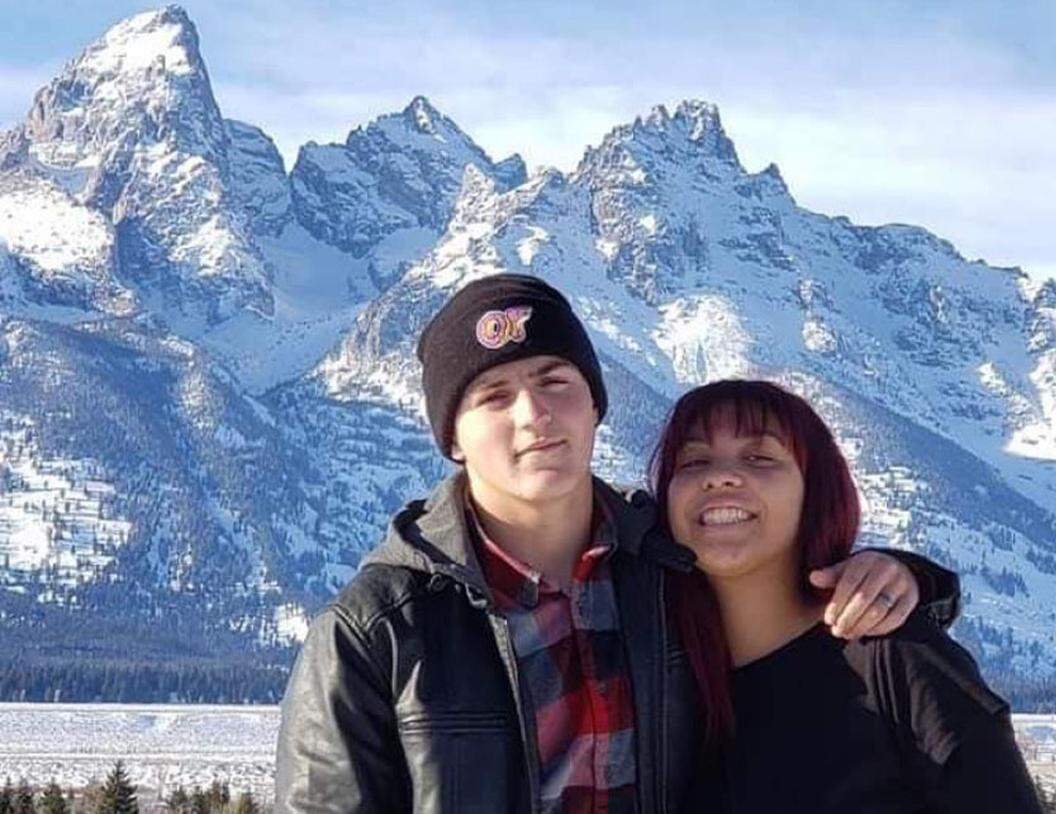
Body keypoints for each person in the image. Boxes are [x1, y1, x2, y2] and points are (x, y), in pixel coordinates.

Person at [275, 274, 961, 813]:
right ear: (452, 438)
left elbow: (792, 604)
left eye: (555, 383)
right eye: (493, 395)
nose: (534, 415)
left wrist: (907, 576)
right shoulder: (379, 631)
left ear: (595, 405)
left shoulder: (670, 572)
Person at [651, 379, 1042, 813]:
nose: (719, 476)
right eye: (694, 461)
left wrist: (916, 578)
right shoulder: (659, 682)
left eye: (759, 457)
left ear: (814, 492)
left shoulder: (891, 655)